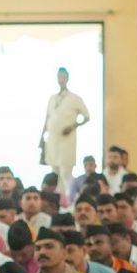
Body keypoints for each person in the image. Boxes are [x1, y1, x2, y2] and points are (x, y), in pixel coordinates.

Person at [40, 67, 90, 196]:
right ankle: (56, 199)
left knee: (66, 173)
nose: (61, 79)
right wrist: (41, 138)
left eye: (63, 77)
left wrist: (72, 126)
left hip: (67, 140)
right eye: (59, 77)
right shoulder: (52, 98)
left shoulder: (75, 98)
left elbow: (86, 117)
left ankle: (70, 199)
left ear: (67, 78)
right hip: (52, 140)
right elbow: (47, 118)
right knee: (54, 173)